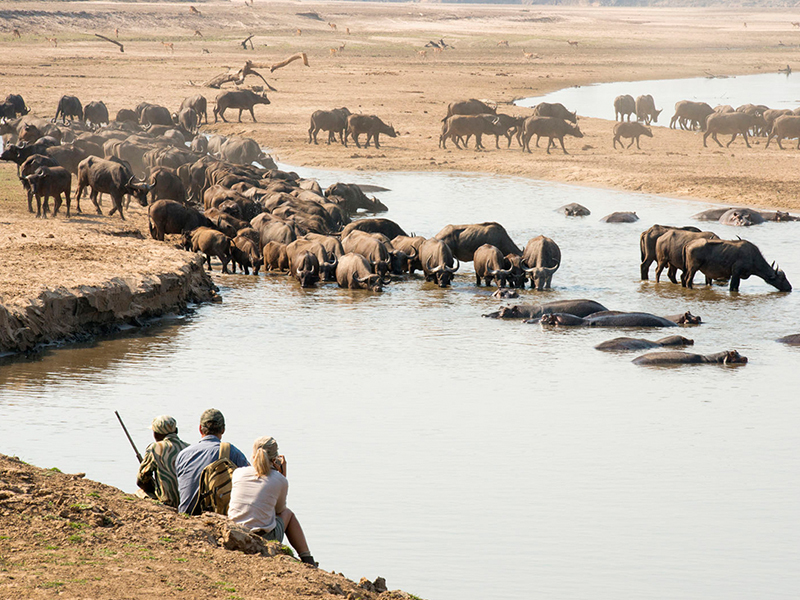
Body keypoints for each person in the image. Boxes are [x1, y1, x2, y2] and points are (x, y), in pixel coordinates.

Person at [228, 436, 316, 567]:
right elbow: (279, 510)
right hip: (262, 538)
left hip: (235, 532)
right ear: (275, 459)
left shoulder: (238, 473)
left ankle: (307, 558)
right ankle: (307, 558)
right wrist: (282, 475)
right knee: (288, 514)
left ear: (253, 454)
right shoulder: (279, 480)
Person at [175, 408, 249, 515]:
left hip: (186, 515)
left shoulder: (183, 454)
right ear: (223, 430)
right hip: (217, 517)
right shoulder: (232, 452)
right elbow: (251, 481)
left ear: (200, 429)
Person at [135, 415, 189, 508]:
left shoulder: (155, 448)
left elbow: (141, 481)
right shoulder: (189, 448)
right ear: (176, 431)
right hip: (187, 502)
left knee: (140, 492)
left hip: (167, 504)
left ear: (156, 434)